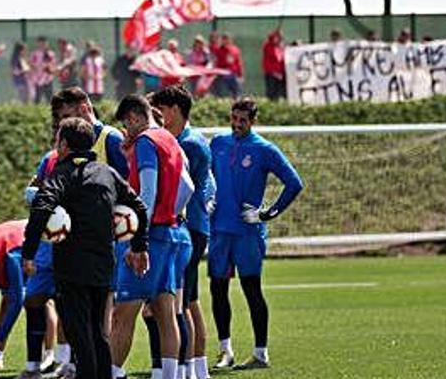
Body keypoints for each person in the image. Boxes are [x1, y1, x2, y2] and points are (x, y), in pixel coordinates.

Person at [23, 117, 149, 379]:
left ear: (65, 144)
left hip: (71, 268)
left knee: (79, 332)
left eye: (58, 138)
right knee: (98, 332)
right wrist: (139, 245)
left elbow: (42, 207)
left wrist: (28, 252)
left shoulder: (61, 173)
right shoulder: (107, 173)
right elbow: (139, 207)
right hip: (103, 264)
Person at [208, 98, 303, 370]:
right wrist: (208, 198)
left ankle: (261, 353)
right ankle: (225, 351)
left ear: (253, 121)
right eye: (234, 118)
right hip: (220, 231)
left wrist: (266, 213)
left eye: (243, 120)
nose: (237, 124)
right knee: (217, 289)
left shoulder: (264, 149)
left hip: (247, 233)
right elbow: (206, 176)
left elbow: (294, 184)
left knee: (252, 290)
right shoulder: (218, 143)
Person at [111, 95, 194, 379]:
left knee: (123, 314)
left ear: (135, 117)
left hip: (151, 236)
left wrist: (139, 241)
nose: (126, 130)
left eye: (126, 124)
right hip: (172, 233)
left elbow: (147, 194)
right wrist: (172, 213)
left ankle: (112, 373)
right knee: (165, 313)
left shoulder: (146, 142)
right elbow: (188, 187)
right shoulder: (170, 140)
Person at [149, 86, 216, 379]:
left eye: (159, 110)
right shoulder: (186, 139)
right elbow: (210, 184)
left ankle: (185, 368)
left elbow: (186, 188)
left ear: (174, 109)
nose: (156, 117)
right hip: (191, 226)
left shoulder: (188, 144)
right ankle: (197, 368)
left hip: (187, 227)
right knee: (188, 300)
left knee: (177, 302)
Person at [0, 220, 51, 373]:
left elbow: (17, 302)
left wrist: (0, 336)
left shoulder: (11, 258)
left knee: (41, 300)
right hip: (10, 237)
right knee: (6, 302)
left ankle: (48, 355)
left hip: (36, 240)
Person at [212, 34, 244, 99]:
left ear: (230, 40)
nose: (225, 41)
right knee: (223, 94)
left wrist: (240, 75)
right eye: (224, 39)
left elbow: (238, 63)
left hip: (233, 75)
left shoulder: (235, 49)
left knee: (237, 92)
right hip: (222, 75)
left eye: (227, 39)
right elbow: (216, 62)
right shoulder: (218, 50)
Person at [30, 37, 56, 105]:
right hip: (38, 81)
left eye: (45, 43)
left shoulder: (51, 54)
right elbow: (31, 65)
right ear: (38, 44)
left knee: (50, 99)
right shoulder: (34, 54)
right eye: (41, 43)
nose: (43, 45)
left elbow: (53, 66)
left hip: (48, 80)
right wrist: (38, 67)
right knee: (37, 100)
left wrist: (49, 68)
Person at [261, 30, 286, 101]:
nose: (277, 39)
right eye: (276, 37)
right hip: (271, 73)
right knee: (272, 92)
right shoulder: (268, 46)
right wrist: (274, 72)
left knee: (281, 91)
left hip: (281, 74)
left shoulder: (281, 47)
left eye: (279, 38)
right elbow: (268, 62)